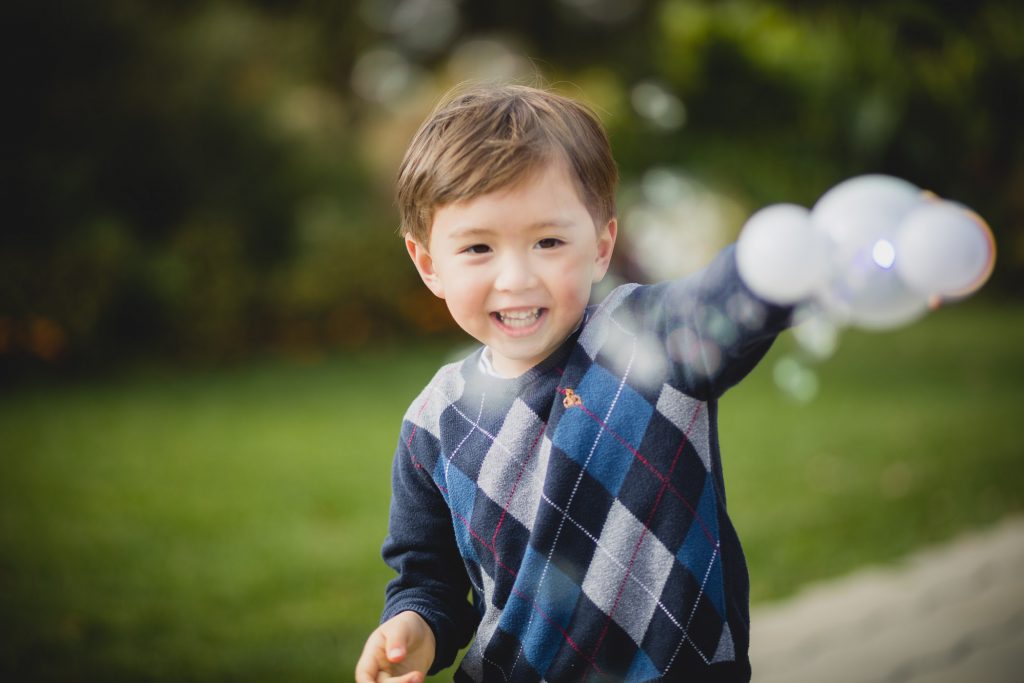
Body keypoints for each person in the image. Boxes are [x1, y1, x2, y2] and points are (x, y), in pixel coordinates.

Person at [355, 83, 792, 683]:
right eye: (478, 247)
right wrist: (414, 625)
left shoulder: (646, 339)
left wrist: (782, 263)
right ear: (429, 263)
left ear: (601, 246)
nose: (516, 278)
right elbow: (428, 577)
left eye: (549, 242)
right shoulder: (434, 422)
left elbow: (723, 302)